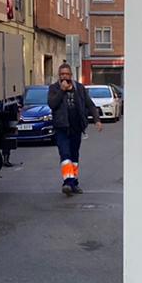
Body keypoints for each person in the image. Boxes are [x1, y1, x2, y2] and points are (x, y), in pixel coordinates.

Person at [47, 62, 102, 196]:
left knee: (74, 157)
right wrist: (62, 90)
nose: (64, 77)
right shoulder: (54, 88)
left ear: (71, 75)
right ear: (59, 76)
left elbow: (90, 104)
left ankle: (73, 183)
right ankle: (68, 182)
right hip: (61, 128)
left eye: (67, 74)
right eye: (62, 74)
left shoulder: (79, 88)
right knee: (65, 155)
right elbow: (52, 104)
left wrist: (97, 120)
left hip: (76, 128)